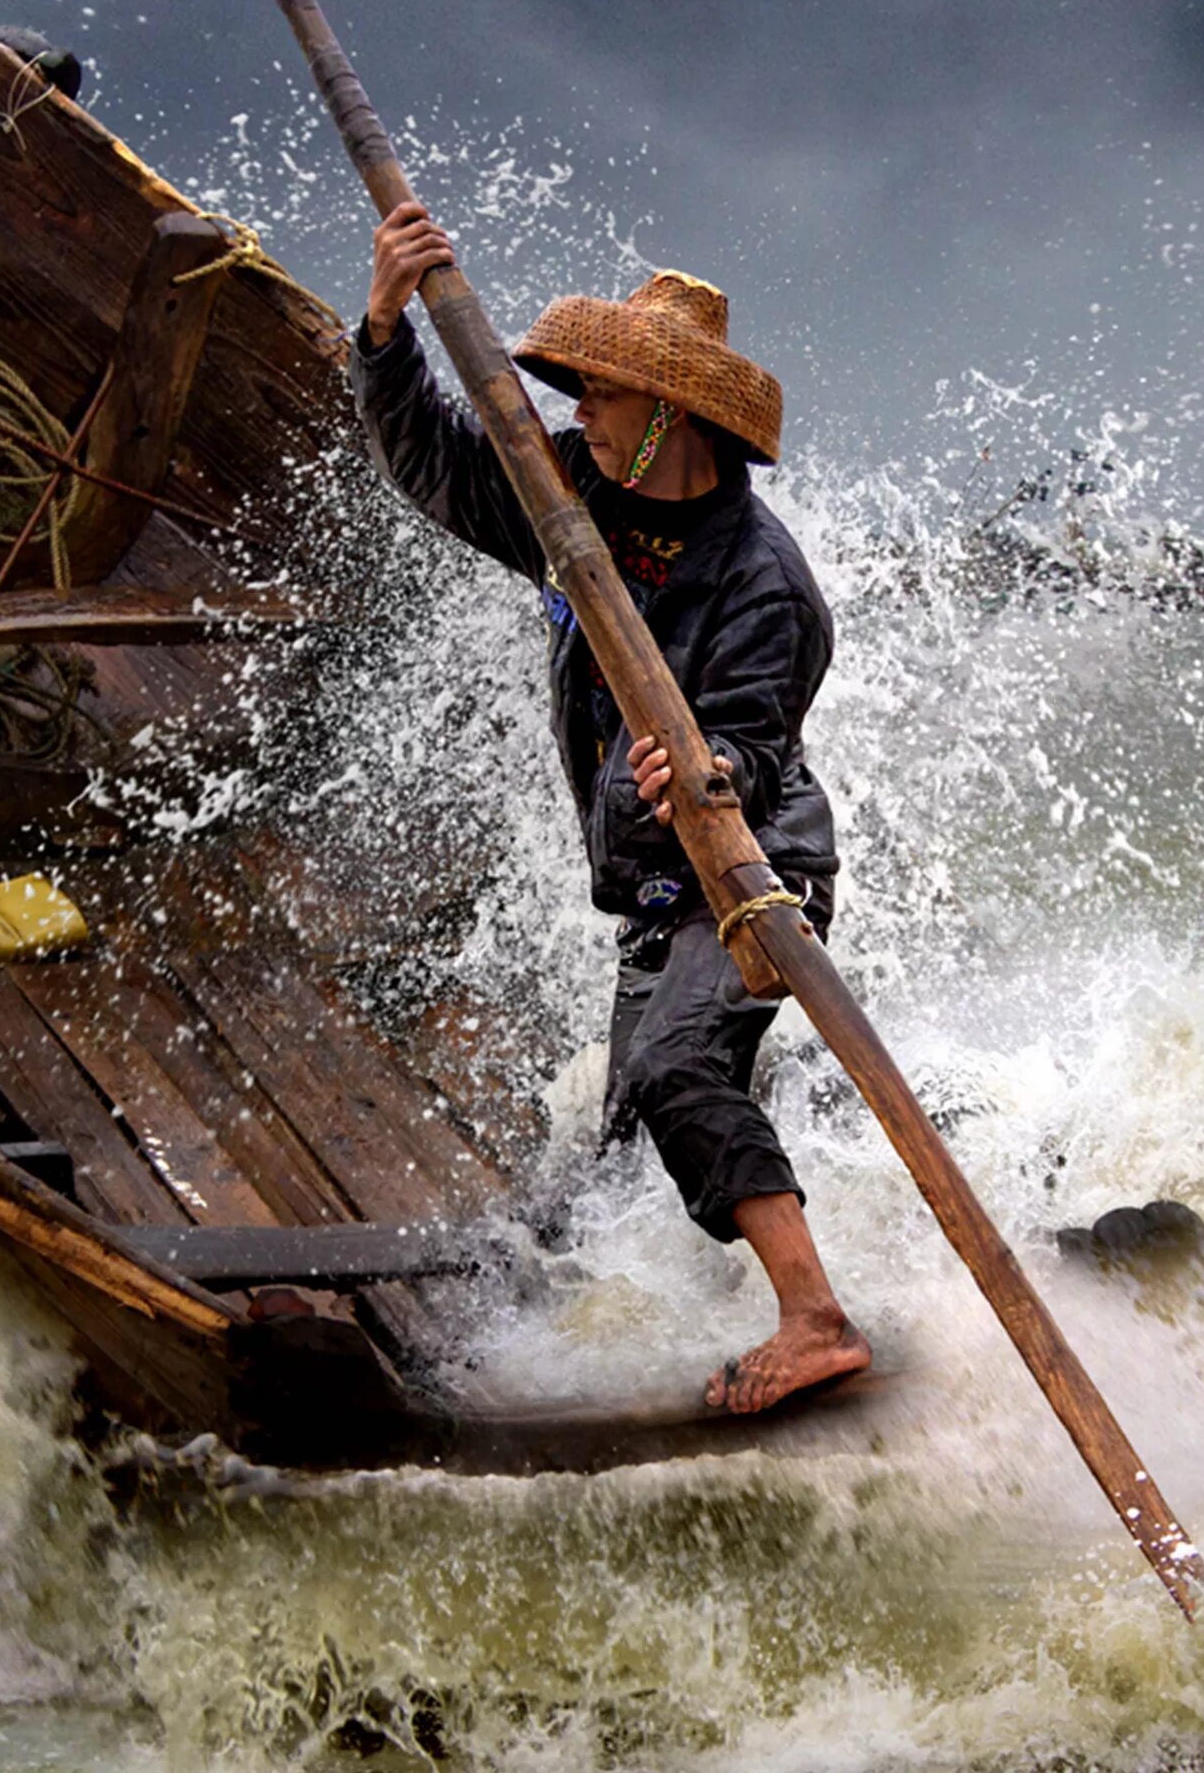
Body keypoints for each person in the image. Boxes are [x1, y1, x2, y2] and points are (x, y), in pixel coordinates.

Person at [351, 200, 869, 1413]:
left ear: (672, 419)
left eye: (606, 397)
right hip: (650, 879)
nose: (581, 412)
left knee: (684, 1066)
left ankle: (816, 1319)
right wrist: (383, 322)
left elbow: (747, 745)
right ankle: (610, 1295)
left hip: (749, 874)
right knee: (631, 1124)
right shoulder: (568, 493)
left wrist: (694, 773)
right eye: (579, 393)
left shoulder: (764, 583)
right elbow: (430, 459)